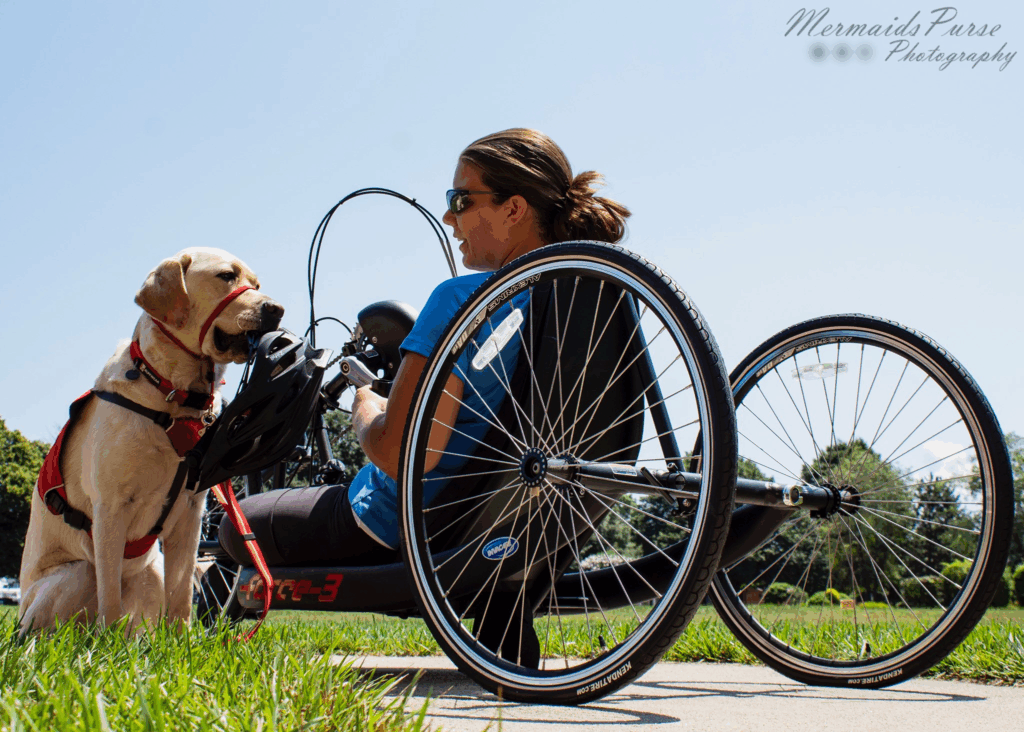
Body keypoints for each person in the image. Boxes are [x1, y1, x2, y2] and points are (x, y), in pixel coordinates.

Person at [219, 128, 631, 567]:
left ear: (513, 209)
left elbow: (400, 453)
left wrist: (366, 408)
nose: (449, 217)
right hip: (525, 521)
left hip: (401, 524)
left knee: (234, 523)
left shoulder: (460, 301)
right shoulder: (589, 301)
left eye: (461, 200)